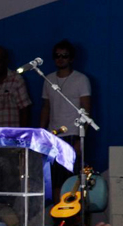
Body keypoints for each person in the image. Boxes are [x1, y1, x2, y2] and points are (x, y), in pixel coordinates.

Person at [39, 40, 92, 203]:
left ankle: (72, 220)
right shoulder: (48, 79)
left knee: (72, 182)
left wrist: (80, 141)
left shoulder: (81, 79)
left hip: (72, 135)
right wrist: (41, 134)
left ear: (71, 59)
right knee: (55, 181)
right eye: (57, 56)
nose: (60, 59)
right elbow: (46, 108)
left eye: (64, 56)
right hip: (54, 136)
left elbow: (87, 111)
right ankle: (58, 218)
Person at [0, 46, 31, 127]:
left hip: (11, 133)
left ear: (6, 61)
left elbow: (24, 109)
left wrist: (21, 134)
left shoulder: (16, 79)